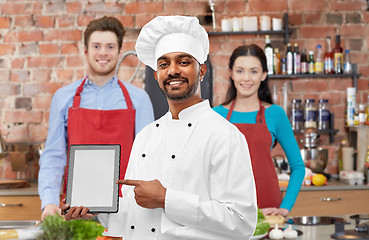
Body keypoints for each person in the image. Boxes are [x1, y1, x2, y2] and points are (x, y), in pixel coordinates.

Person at [62, 15, 257, 240]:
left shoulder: (225, 136)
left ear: (201, 71)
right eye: (164, 64)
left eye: (183, 62)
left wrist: (167, 199)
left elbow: (242, 222)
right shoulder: (146, 135)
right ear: (156, 76)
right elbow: (132, 218)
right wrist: (96, 210)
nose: (173, 70)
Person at [38, 16, 154, 220]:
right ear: (86, 51)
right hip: (76, 211)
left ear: (119, 52)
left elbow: (148, 159)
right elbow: (53, 156)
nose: (103, 52)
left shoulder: (139, 100)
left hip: (125, 211)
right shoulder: (63, 98)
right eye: (96, 46)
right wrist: (49, 202)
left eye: (110, 46)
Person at [213, 44, 305, 217]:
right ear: (231, 73)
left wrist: (284, 208)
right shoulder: (215, 115)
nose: (246, 78)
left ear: (263, 75)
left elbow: (298, 166)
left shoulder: (275, 114)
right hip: (227, 211)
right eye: (240, 71)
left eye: (254, 71)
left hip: (269, 207)